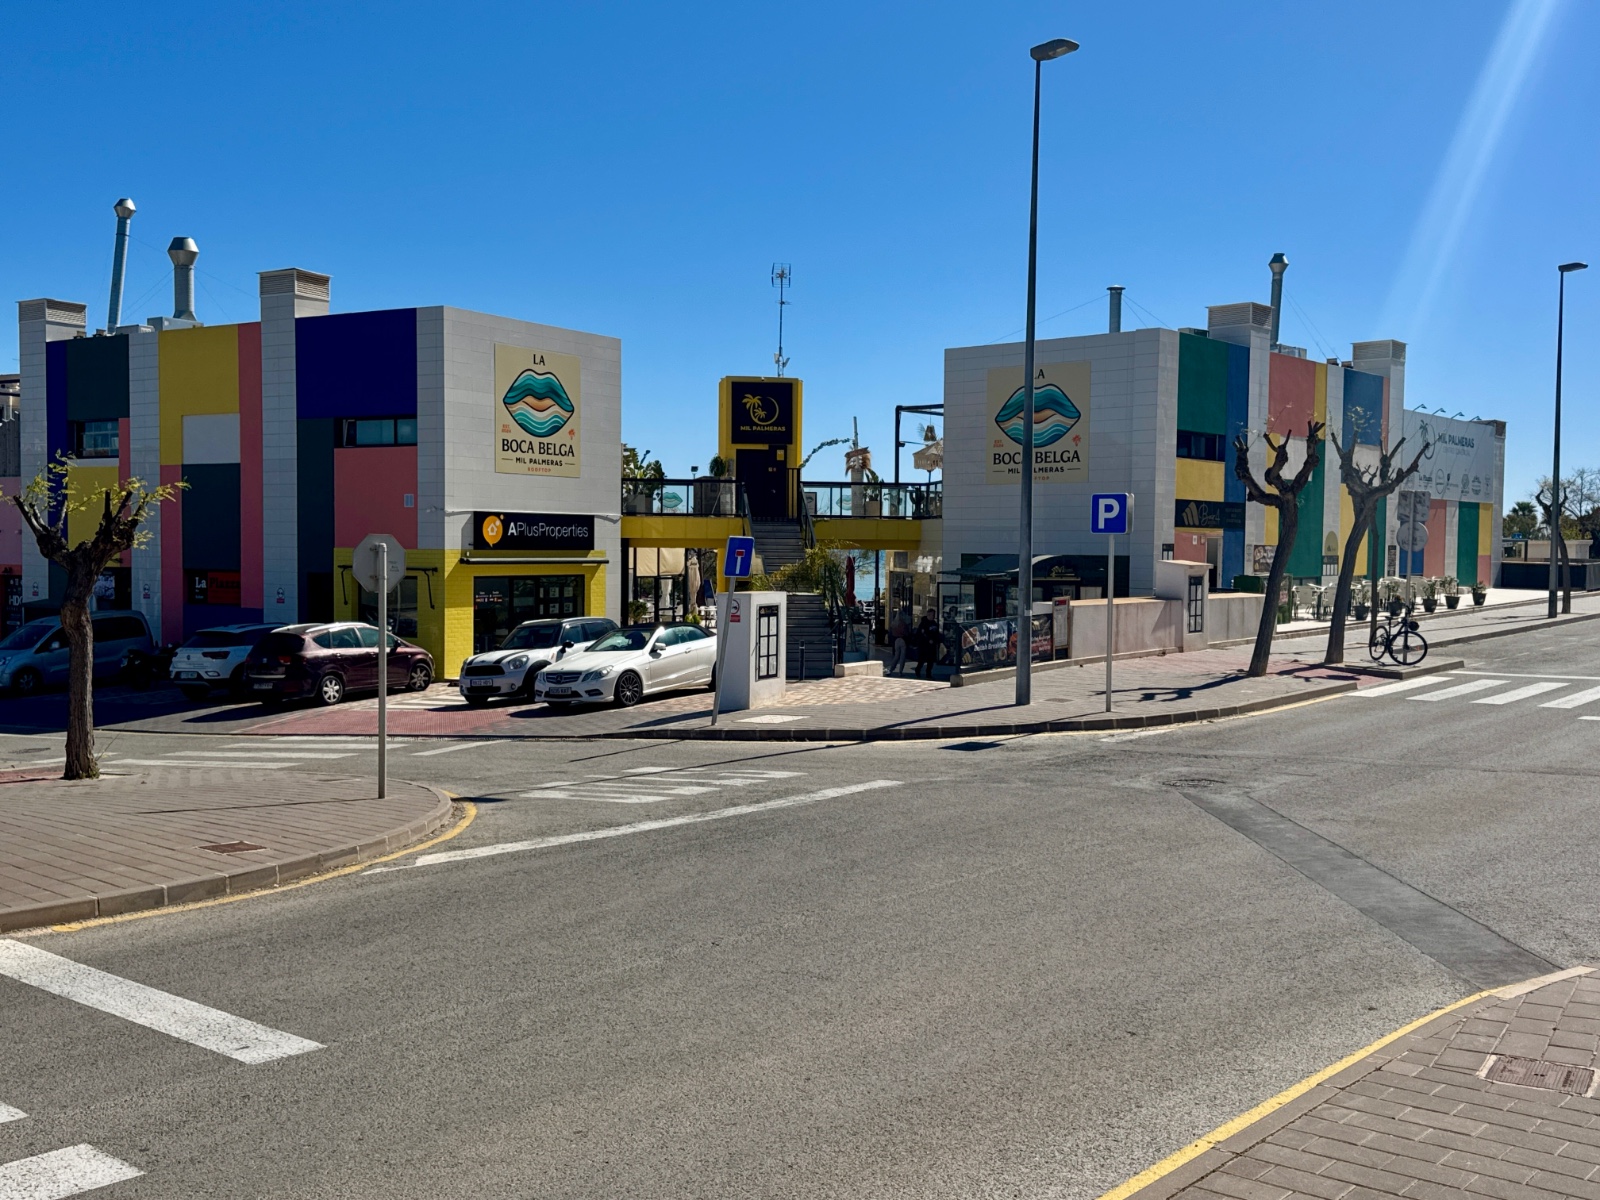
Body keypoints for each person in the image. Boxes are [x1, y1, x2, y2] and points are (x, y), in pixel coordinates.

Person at [914, 610, 940, 679]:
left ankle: (928, 674)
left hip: (932, 645)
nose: (933, 616)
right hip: (924, 645)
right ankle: (918, 670)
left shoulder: (934, 623)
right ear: (928, 615)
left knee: (930, 660)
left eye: (934, 615)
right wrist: (928, 639)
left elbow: (936, 633)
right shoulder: (923, 623)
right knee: (922, 660)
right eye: (932, 615)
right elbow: (922, 633)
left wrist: (937, 640)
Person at [888, 605, 910, 676]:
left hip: (896, 640)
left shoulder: (894, 623)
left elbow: (891, 632)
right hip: (902, 640)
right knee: (902, 657)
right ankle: (900, 672)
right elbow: (906, 633)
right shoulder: (903, 624)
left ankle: (891, 670)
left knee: (896, 656)